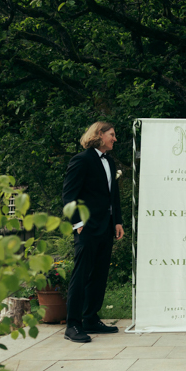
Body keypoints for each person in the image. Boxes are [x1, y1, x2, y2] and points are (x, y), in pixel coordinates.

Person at [62, 121, 124, 343]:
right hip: (86, 228)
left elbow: (112, 196)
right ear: (99, 134)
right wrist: (77, 224)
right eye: (112, 135)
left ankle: (90, 318)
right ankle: (73, 325)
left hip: (106, 227)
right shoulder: (81, 160)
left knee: (99, 275)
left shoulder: (109, 161)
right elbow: (69, 196)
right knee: (81, 276)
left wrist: (117, 221)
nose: (114, 139)